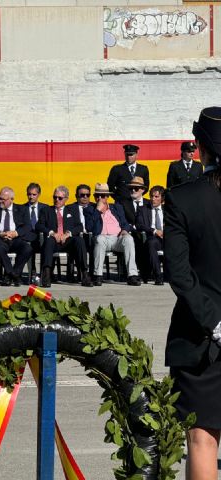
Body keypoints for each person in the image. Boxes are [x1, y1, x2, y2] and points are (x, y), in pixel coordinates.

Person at [164, 106, 221, 480]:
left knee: (201, 439)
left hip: (200, 335)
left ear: (198, 147)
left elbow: (180, 273)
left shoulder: (182, 199)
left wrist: (214, 321)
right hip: (204, 332)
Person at [84, 183, 141, 287]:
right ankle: (98, 275)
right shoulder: (90, 209)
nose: (100, 198)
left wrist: (124, 230)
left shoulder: (117, 208)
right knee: (100, 239)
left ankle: (132, 275)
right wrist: (97, 211)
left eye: (103, 196)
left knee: (128, 239)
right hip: (102, 239)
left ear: (107, 197)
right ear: (94, 197)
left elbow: (125, 223)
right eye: (97, 196)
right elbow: (89, 227)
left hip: (117, 238)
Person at [35, 185, 92, 288]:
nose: (57, 200)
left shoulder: (72, 210)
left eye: (60, 198)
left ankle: (84, 274)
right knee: (48, 241)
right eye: (55, 197)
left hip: (67, 241)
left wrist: (68, 234)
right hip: (54, 240)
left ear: (66, 199)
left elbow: (79, 226)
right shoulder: (46, 210)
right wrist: (52, 233)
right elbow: (39, 225)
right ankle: (47, 276)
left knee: (79, 240)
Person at [0, 186, 34, 286]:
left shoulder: (22, 209)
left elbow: (28, 226)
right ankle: (14, 275)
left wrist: (15, 233)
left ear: (11, 199)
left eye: (3, 199)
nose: (0, 201)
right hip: (0, 238)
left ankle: (10, 275)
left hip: (16, 238)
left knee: (27, 248)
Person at [136, 185, 165, 285]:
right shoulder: (143, 209)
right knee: (151, 243)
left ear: (162, 198)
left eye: (156, 197)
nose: (153, 199)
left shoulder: (168, 209)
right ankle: (158, 276)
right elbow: (139, 225)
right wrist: (154, 231)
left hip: (168, 238)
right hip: (152, 238)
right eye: (152, 196)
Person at [23, 182, 48, 278]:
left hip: (42, 236)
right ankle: (32, 271)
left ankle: (45, 272)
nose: (31, 197)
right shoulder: (22, 208)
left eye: (34, 194)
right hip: (28, 237)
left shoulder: (45, 208)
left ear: (39, 195)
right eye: (29, 194)